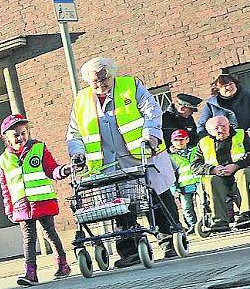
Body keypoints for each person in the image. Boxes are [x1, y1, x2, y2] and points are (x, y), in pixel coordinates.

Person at [66, 57, 181, 266]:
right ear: (88, 82)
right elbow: (74, 134)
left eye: (105, 78)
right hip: (108, 162)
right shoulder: (81, 100)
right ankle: (130, 251)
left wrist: (151, 134)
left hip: (142, 154)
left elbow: (152, 111)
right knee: (119, 207)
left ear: (112, 74)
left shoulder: (130, 86)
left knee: (157, 197)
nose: (101, 83)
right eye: (96, 81)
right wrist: (77, 153)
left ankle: (170, 241)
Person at [0, 114, 77, 286]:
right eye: (15, 135)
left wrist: (63, 171)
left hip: (42, 201)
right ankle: (31, 272)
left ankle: (62, 263)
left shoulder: (39, 148)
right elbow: (5, 187)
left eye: (23, 133)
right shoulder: (3, 160)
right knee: (29, 238)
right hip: (21, 206)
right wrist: (9, 208)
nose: (20, 137)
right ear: (6, 138)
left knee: (50, 232)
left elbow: (51, 169)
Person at [190, 116, 250, 231]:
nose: (220, 130)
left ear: (229, 125)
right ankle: (220, 220)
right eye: (216, 128)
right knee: (212, 180)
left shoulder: (241, 135)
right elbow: (195, 165)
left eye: (223, 126)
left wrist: (236, 165)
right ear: (209, 131)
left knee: (242, 174)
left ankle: (246, 213)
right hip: (218, 176)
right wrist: (213, 169)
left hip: (240, 171)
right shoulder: (203, 143)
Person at [197, 75, 250, 139]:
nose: (229, 87)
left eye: (231, 84)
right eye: (225, 86)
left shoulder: (247, 97)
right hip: (224, 143)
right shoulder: (211, 105)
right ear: (218, 89)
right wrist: (207, 140)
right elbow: (201, 125)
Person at [167, 129, 200, 232]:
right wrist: (174, 189)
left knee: (204, 204)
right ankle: (192, 226)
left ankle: (206, 222)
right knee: (187, 208)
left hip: (200, 183)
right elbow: (170, 174)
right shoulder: (171, 157)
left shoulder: (196, 150)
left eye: (181, 139)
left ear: (187, 139)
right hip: (184, 186)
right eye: (176, 140)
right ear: (172, 142)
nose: (179, 142)